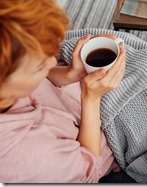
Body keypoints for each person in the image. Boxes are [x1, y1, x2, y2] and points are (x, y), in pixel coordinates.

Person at [0, 0, 127, 182]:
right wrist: (91, 99)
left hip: (72, 96)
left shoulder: (11, 76)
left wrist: (70, 74)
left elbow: (43, 73)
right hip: (105, 144)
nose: (52, 62)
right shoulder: (23, 155)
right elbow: (89, 174)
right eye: (39, 66)